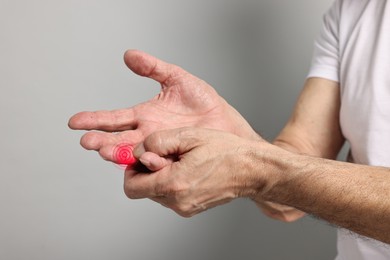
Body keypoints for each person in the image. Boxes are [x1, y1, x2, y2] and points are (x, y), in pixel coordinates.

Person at [68, 0, 390, 259]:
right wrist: (235, 141)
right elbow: (290, 190)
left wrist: (252, 166)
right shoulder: (350, 12)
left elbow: (275, 172)